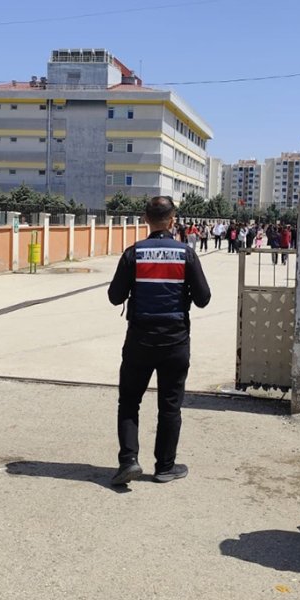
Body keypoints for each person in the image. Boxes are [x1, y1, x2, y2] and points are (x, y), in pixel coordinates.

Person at [107, 196, 211, 486]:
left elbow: (115, 296)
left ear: (145, 219)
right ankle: (165, 467)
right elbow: (203, 299)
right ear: (173, 220)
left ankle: (128, 461)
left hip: (139, 340)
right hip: (175, 341)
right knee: (170, 405)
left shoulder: (134, 253)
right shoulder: (185, 254)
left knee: (129, 401)